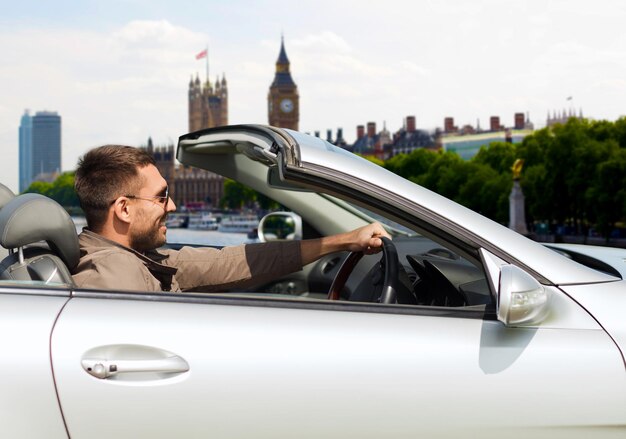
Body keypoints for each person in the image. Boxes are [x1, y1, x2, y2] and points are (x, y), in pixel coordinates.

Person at [72, 145, 389, 292]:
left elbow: (230, 261)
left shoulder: (140, 257)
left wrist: (344, 241)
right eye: (161, 196)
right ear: (124, 209)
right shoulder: (111, 274)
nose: (172, 207)